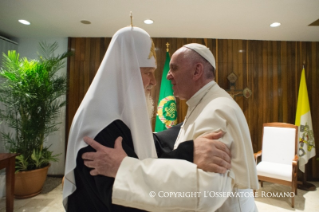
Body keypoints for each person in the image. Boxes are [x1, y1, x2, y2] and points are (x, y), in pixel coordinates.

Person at [63, 27, 231, 211]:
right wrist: (190, 153)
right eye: (147, 72)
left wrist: (192, 124)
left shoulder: (111, 115)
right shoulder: (100, 129)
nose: (154, 81)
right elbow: (129, 199)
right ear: (124, 72)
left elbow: (152, 145)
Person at [83, 43, 259, 211]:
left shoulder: (216, 110)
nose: (167, 75)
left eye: (174, 68)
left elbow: (208, 193)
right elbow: (182, 132)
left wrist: (125, 169)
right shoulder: (205, 102)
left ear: (197, 70)